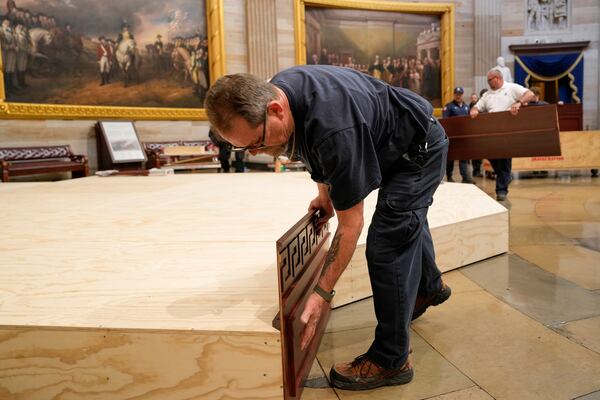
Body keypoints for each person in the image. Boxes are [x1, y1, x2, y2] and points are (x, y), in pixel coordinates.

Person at [205, 65, 451, 391]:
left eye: (257, 143)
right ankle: (428, 286)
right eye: (243, 148)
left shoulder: (336, 129)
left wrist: (321, 294)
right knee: (406, 219)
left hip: (418, 149)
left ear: (275, 110)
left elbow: (351, 226)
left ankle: (392, 360)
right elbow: (310, 145)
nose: (256, 153)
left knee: (387, 241)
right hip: (391, 139)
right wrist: (324, 194)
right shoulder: (281, 91)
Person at [470, 67, 535, 201]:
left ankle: (501, 190)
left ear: (498, 78)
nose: (488, 83)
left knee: (504, 160)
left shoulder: (511, 88)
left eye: (490, 80)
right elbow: (478, 106)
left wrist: (519, 103)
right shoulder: (487, 94)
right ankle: (505, 177)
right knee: (492, 157)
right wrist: (475, 109)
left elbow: (530, 95)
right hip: (492, 132)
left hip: (508, 131)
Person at [442, 86, 473, 183]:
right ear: (454, 95)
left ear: (462, 95)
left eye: (460, 94)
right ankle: (449, 176)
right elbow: (445, 121)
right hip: (452, 137)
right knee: (450, 158)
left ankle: (465, 177)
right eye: (456, 94)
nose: (458, 96)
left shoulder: (466, 107)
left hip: (463, 136)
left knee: (463, 157)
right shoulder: (449, 106)